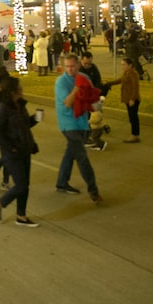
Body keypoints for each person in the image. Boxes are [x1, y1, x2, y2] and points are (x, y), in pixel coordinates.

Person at [0, 76, 40, 227]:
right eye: (19, 88)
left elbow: (24, 125)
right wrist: (10, 147)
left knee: (25, 185)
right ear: (12, 91)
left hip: (24, 149)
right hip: (12, 152)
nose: (22, 90)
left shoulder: (19, 105)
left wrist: (35, 119)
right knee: (21, 185)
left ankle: (21, 216)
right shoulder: (2, 107)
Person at [54, 54, 103, 203]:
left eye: (72, 66)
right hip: (68, 124)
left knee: (71, 153)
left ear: (78, 65)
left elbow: (93, 97)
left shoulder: (84, 77)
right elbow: (68, 103)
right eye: (67, 66)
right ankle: (93, 190)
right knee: (82, 157)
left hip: (82, 122)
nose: (70, 69)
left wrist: (98, 111)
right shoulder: (61, 82)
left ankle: (62, 183)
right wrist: (77, 87)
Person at [104, 57, 142, 143]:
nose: (122, 66)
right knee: (132, 117)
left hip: (132, 99)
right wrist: (109, 83)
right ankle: (135, 135)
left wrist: (132, 99)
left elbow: (135, 87)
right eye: (122, 64)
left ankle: (134, 135)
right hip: (127, 98)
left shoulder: (133, 74)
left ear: (130, 65)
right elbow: (120, 80)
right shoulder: (126, 73)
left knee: (133, 117)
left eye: (124, 64)